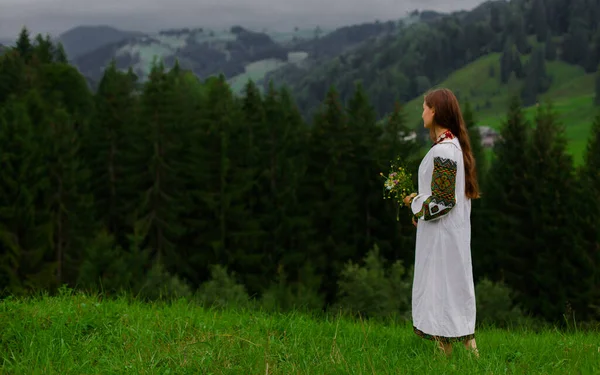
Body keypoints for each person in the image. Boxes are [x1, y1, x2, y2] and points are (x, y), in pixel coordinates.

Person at [403, 88, 479, 357]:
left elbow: (444, 202)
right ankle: (457, 352)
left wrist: (415, 203)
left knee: (443, 287)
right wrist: (421, 211)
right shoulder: (451, 147)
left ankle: (450, 352)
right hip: (448, 236)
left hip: (443, 239)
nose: (422, 112)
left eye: (424, 107)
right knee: (452, 288)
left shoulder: (445, 151)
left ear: (434, 111)